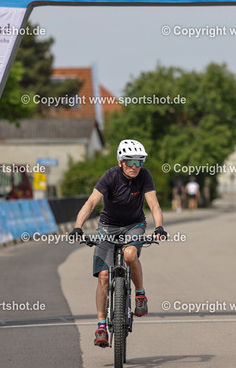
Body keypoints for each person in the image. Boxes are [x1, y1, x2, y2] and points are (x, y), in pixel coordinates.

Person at [69, 139, 167, 348]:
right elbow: (91, 202)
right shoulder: (110, 176)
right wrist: (78, 227)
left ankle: (140, 294)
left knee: (130, 255)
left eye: (139, 162)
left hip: (134, 225)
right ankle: (101, 327)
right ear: (121, 162)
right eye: (130, 162)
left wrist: (159, 227)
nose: (135, 167)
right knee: (104, 276)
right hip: (108, 227)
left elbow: (153, 204)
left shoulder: (144, 176)